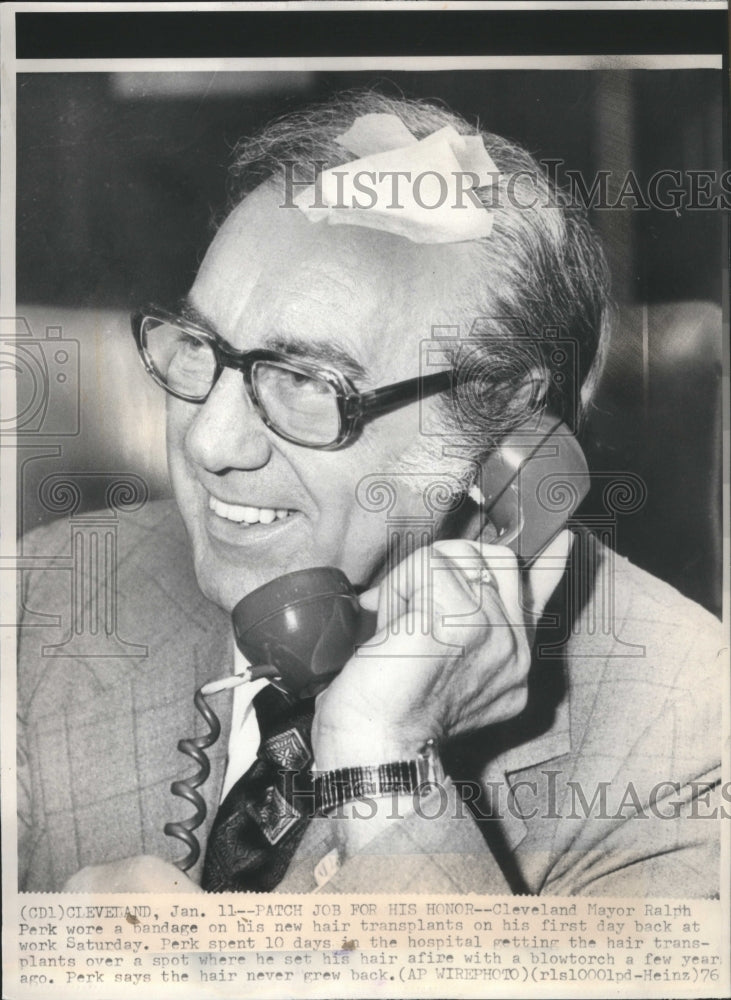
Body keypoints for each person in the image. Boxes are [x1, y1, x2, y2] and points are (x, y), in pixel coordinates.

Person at [18, 90, 723, 895]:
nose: (208, 442)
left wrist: (388, 767)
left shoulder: (682, 730)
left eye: (307, 382)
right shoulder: (48, 596)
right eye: (200, 347)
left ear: (506, 433)